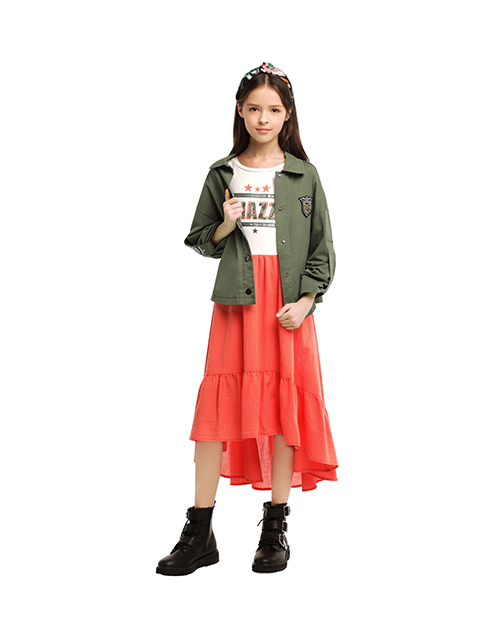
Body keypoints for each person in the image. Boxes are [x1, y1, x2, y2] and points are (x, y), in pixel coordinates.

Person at [156, 62, 338, 576]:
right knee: (215, 413)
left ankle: (274, 527)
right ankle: (200, 531)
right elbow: (200, 239)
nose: (263, 118)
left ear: (287, 114)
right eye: (254, 108)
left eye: (273, 110)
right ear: (240, 110)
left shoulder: (304, 175)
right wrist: (224, 225)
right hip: (237, 301)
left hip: (286, 306)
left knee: (283, 410)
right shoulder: (223, 172)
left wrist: (307, 300)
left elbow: (323, 247)